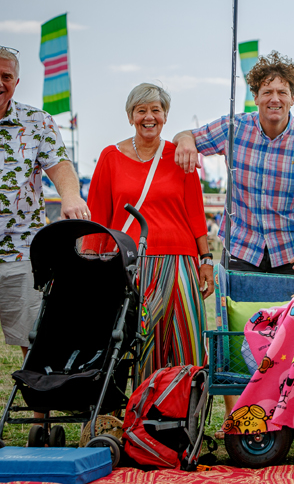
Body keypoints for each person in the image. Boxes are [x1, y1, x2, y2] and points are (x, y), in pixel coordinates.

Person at [0, 45, 88, 439]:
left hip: (22, 253)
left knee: (32, 340)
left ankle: (41, 422)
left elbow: (61, 167)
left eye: (7, 77)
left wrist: (71, 197)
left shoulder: (36, 123)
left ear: (16, 82)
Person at [174, 51, 294, 275]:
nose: (275, 98)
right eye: (267, 92)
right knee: (236, 310)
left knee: (289, 311)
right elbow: (187, 135)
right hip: (241, 249)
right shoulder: (233, 128)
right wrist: (184, 140)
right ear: (256, 96)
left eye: (282, 92)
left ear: (292, 98)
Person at [87, 83, 212, 375]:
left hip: (179, 261)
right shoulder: (110, 156)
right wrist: (92, 260)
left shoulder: (181, 156)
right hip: (129, 263)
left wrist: (205, 260)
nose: (149, 117)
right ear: (130, 116)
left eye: (156, 110)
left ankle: (184, 411)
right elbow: (99, 215)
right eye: (141, 110)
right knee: (136, 342)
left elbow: (195, 212)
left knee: (187, 340)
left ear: (165, 116)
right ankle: (136, 413)